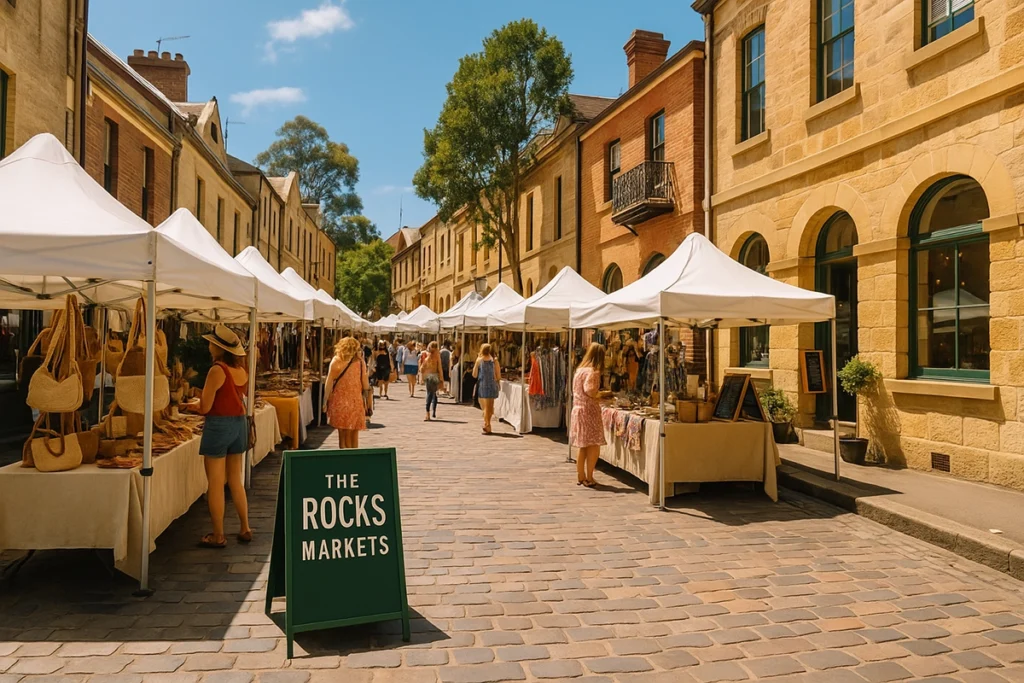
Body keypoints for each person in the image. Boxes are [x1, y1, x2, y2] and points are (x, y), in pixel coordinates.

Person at [183, 324, 253, 548]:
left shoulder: (217, 370)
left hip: (219, 425)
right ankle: (245, 527)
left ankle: (218, 534)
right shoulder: (242, 370)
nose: (209, 345)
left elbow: (206, 407)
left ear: (219, 348)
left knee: (215, 482)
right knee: (235, 479)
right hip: (239, 424)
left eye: (211, 343)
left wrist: (192, 405)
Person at [324, 336, 371, 448]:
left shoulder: (336, 361)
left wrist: (325, 400)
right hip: (355, 400)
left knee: (342, 433)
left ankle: (343, 456)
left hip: (339, 400)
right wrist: (368, 402)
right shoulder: (360, 362)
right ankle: (354, 458)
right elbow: (365, 384)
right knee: (354, 432)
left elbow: (329, 381)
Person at [571, 342, 606, 487]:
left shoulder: (579, 370)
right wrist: (603, 394)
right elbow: (590, 391)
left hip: (578, 409)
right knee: (593, 445)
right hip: (588, 411)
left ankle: (581, 475)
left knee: (583, 445)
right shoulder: (593, 372)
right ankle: (589, 476)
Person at [472, 343, 501, 434]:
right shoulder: (494, 361)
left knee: (484, 407)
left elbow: (474, 374)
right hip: (492, 385)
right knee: (490, 407)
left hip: (483, 385)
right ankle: (487, 424)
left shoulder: (479, 360)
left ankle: (487, 424)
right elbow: (498, 375)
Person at [421, 341, 443, 421]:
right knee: (433, 394)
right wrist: (441, 379)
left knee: (429, 394)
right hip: (435, 377)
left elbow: (422, 369)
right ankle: (433, 411)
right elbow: (440, 368)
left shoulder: (427, 357)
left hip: (428, 377)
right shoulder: (437, 357)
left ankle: (427, 413)